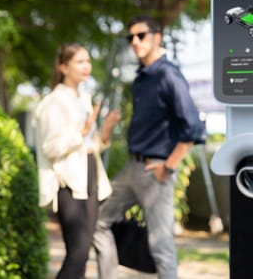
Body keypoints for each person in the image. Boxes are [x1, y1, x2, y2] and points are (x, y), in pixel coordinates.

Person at [93, 15, 204, 279]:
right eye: (130, 37)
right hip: (132, 167)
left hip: (156, 170)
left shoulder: (168, 75)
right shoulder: (142, 78)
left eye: (141, 35)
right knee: (99, 221)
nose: (134, 41)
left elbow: (192, 127)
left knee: (160, 244)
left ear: (157, 37)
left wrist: (168, 166)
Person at [33, 43, 121, 279]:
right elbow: (50, 147)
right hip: (68, 182)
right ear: (63, 67)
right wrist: (81, 133)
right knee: (78, 254)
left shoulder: (83, 98)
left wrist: (105, 132)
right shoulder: (53, 102)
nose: (86, 66)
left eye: (88, 61)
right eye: (79, 62)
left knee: (82, 256)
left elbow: (91, 146)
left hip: (89, 176)